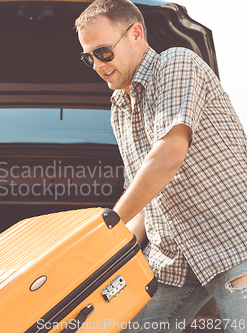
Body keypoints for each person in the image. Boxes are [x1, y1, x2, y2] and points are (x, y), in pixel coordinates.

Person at [75, 0, 247, 332]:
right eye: (88, 57)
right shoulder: (119, 109)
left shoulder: (175, 64)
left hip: (234, 245)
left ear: (135, 33)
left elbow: (168, 156)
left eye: (103, 52)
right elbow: (143, 196)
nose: (96, 64)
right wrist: (103, 252)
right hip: (174, 261)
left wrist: (109, 224)